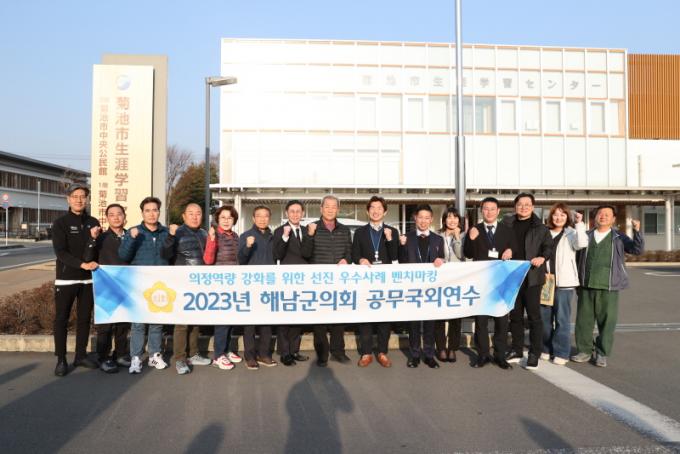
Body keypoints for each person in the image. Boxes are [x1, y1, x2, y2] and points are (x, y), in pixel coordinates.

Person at [571, 205, 643, 367]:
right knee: (583, 320)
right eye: (600, 214)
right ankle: (584, 350)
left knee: (607, 322)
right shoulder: (586, 235)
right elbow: (576, 257)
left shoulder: (619, 237)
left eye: (607, 214)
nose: (603, 216)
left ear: (613, 219)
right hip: (586, 285)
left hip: (609, 285)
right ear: (595, 217)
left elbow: (637, 250)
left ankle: (602, 353)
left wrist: (637, 231)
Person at [51, 183, 100, 376]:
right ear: (68, 199)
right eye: (75, 196)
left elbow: (96, 249)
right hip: (66, 279)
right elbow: (60, 252)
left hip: (88, 280)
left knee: (84, 319)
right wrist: (81, 265)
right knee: (61, 319)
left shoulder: (93, 222)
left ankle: (80, 355)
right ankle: (61, 359)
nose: (79, 200)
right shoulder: (60, 223)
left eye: (82, 196)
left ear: (87, 199)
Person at [118, 196, 170, 374]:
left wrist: (172, 237)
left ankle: (155, 355)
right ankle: (136, 357)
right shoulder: (134, 232)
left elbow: (171, 256)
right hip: (138, 284)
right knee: (138, 323)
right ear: (142, 213)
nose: (151, 214)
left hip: (160, 284)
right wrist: (131, 239)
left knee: (157, 321)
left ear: (159, 212)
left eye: (155, 210)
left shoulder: (166, 233)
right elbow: (123, 256)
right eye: (147, 210)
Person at [463, 197, 515, 370]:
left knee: (502, 320)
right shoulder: (475, 229)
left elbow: (515, 249)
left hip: (501, 281)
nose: (489, 212)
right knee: (481, 321)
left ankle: (500, 356)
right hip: (482, 282)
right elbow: (468, 254)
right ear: (481, 211)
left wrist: (511, 250)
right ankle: (483, 354)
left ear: (498, 211)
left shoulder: (507, 230)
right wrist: (471, 239)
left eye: (493, 209)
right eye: (486, 208)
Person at [301, 195, 352, 367]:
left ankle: (338, 352)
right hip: (318, 281)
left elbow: (349, 252)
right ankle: (322, 355)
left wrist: (346, 259)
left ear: (338, 209)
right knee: (320, 320)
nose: (330, 209)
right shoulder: (312, 227)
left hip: (339, 281)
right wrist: (310, 235)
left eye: (334, 207)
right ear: (321, 208)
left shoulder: (344, 230)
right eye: (327, 206)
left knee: (339, 318)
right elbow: (305, 253)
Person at [503, 192, 552, 370]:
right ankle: (516, 349)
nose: (523, 207)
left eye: (527, 204)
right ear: (515, 206)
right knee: (515, 316)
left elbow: (548, 248)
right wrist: (505, 250)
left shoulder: (541, 228)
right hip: (512, 277)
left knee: (534, 316)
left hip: (532, 276)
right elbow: (499, 243)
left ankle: (534, 353)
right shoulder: (506, 224)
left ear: (532, 207)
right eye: (520, 204)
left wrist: (542, 257)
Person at [162, 203, 213, 375]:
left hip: (200, 283)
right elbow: (165, 254)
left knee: (195, 321)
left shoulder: (204, 233)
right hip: (182, 282)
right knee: (182, 323)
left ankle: (193, 354)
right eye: (191, 213)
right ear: (183, 216)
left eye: (198, 213)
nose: (195, 216)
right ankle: (180, 359)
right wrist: (170, 236)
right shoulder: (177, 232)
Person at [352, 196, 399, 368]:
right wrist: (360, 259)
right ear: (367, 211)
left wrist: (390, 240)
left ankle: (382, 352)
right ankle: (366, 353)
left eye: (379, 208)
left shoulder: (392, 231)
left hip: (385, 282)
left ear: (385, 212)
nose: (376, 211)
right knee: (365, 316)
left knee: (384, 318)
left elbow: (395, 257)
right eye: (372, 207)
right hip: (366, 281)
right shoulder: (360, 232)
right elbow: (354, 254)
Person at [84, 203, 130, 373]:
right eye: (112, 214)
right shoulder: (101, 237)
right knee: (106, 324)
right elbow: (88, 257)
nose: (116, 217)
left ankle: (120, 354)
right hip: (106, 286)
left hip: (126, 285)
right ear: (107, 218)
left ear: (124, 217)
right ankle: (103, 357)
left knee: (123, 322)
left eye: (119, 214)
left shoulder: (131, 236)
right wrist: (92, 239)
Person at [398, 204, 445, 369]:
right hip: (413, 287)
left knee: (430, 324)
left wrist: (441, 260)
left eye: (427, 218)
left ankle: (429, 355)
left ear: (431, 219)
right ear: (415, 218)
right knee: (414, 324)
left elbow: (442, 260)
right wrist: (401, 246)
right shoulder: (406, 238)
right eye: (420, 217)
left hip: (432, 288)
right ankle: (415, 355)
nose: (423, 221)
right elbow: (401, 262)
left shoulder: (438, 239)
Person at [541, 204, 588, 365]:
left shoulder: (571, 233)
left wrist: (579, 224)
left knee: (562, 319)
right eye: (555, 214)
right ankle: (545, 349)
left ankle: (561, 352)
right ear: (550, 216)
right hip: (546, 282)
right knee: (544, 319)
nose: (558, 218)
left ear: (567, 217)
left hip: (565, 283)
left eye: (562, 215)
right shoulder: (544, 232)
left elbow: (582, 244)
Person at [203, 205, 243, 370]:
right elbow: (208, 260)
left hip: (234, 283)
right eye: (223, 218)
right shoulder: (214, 235)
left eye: (230, 218)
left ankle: (226, 350)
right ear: (217, 220)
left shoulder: (235, 236)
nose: (226, 221)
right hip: (220, 284)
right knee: (222, 320)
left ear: (234, 220)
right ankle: (218, 355)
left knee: (231, 319)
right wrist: (212, 240)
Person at [238, 205, 277, 370]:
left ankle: (264, 354)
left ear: (269, 218)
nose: (262, 219)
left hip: (268, 284)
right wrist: (247, 246)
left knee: (266, 321)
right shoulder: (246, 236)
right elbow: (241, 260)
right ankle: (250, 356)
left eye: (265, 216)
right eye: (259, 216)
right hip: (251, 285)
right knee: (250, 323)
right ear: (253, 218)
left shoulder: (273, 237)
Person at [272, 200, 310, 366]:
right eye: (292, 211)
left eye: (298, 211)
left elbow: (309, 254)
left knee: (298, 316)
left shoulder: (307, 230)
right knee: (285, 316)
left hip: (303, 280)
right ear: (286, 213)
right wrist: (285, 237)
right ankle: (284, 352)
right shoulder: (279, 231)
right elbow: (277, 254)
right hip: (287, 280)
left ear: (303, 213)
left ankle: (294, 350)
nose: (295, 214)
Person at [435, 206, 465, 363]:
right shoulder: (437, 235)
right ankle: (441, 347)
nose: (452, 220)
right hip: (440, 280)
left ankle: (452, 348)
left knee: (455, 316)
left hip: (457, 280)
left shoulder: (464, 235)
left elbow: (461, 255)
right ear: (444, 219)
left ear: (459, 220)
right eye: (449, 217)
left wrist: (458, 237)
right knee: (439, 315)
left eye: (455, 217)